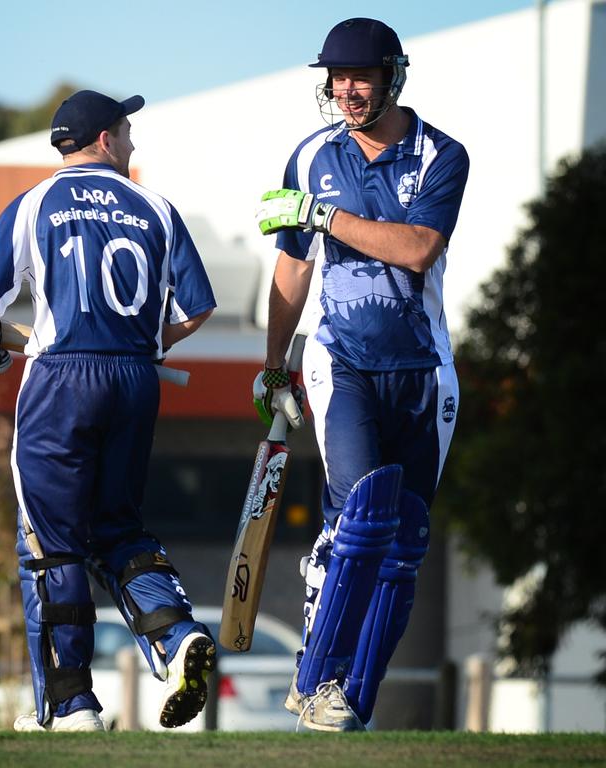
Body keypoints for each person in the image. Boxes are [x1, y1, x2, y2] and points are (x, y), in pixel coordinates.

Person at [0, 89, 218, 732]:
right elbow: (198, 307)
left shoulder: (34, 204)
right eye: (126, 131)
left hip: (60, 380)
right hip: (135, 380)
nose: (132, 142)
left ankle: (71, 705)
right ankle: (175, 633)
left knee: (52, 543)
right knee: (118, 528)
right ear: (104, 138)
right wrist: (147, 344)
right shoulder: (156, 206)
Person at [252, 18, 469, 732]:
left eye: (361, 77)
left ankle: (352, 700)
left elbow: (416, 249)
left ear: (393, 75)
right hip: (341, 361)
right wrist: (273, 365)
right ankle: (314, 680)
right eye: (337, 78)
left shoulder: (442, 155)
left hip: (424, 370)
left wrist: (325, 214)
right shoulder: (311, 155)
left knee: (405, 540)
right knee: (364, 517)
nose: (346, 90)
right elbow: (293, 266)